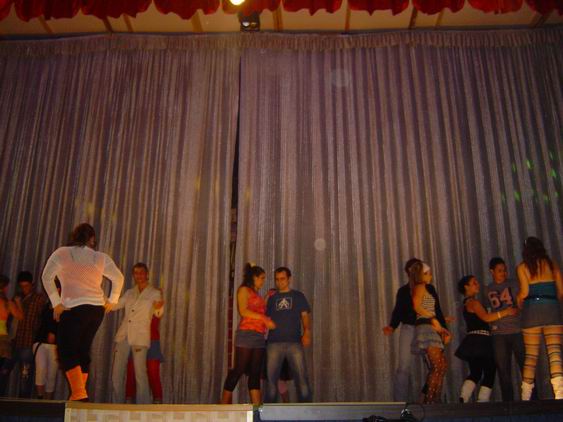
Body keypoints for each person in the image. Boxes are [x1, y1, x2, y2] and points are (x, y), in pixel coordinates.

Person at [42, 223, 124, 401]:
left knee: (66, 349)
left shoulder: (62, 253)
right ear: (92, 239)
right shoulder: (100, 257)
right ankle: (79, 393)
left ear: (74, 236)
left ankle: (79, 393)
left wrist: (56, 303)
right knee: (82, 349)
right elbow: (119, 277)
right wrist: (112, 300)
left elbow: (46, 276)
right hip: (96, 309)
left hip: (74, 307)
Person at [383, 258, 449, 402]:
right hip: (410, 327)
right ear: (410, 272)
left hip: (428, 327)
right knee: (404, 367)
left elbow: (437, 309)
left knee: (437, 365)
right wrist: (392, 326)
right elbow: (399, 311)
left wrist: (443, 328)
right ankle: (401, 403)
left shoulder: (429, 288)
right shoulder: (404, 291)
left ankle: (429, 399)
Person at [456, 275, 518, 402]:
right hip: (481, 340)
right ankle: (482, 400)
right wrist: (506, 312)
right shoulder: (474, 303)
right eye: (474, 283)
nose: (477, 284)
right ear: (466, 287)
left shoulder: (467, 303)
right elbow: (486, 318)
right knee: (489, 370)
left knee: (476, 372)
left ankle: (464, 398)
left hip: (472, 341)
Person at [221, 263, 275, 405]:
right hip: (246, 334)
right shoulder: (243, 290)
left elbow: (258, 309)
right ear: (253, 277)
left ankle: (257, 410)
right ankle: (223, 405)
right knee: (238, 370)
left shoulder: (256, 294)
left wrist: (266, 297)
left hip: (259, 336)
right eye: (261, 278)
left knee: (255, 374)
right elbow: (244, 311)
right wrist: (264, 319)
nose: (263, 281)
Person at [516, 237, 563, 400]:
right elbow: (561, 291)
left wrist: (518, 299)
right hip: (551, 309)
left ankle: (525, 396)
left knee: (531, 355)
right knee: (555, 353)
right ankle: (559, 394)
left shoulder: (523, 267)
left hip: (532, 311)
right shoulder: (551, 264)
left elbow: (525, 292)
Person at [111, 262, 163, 404]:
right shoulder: (129, 292)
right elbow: (115, 305)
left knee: (140, 374)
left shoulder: (154, 292)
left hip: (140, 336)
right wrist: (97, 297)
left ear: (147, 274)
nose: (139, 275)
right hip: (124, 335)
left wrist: (158, 308)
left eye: (141, 272)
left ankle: (142, 407)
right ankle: (116, 406)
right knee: (116, 374)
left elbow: (158, 313)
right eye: (136, 273)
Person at [485, 257, 533, 401]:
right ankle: (508, 403)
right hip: (498, 333)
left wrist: (519, 307)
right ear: (492, 271)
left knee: (525, 366)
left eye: (505, 270)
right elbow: (486, 312)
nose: (503, 273)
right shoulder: (488, 289)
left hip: (516, 330)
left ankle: (533, 399)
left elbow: (523, 300)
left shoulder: (514, 284)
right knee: (503, 370)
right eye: (500, 270)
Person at [265, 267, 312, 403]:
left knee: (302, 380)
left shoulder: (298, 296)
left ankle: (307, 411)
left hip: (294, 342)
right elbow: (264, 316)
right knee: (271, 382)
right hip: (274, 343)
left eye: (282, 279)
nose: (279, 282)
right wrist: (267, 297)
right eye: (277, 279)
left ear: (289, 279)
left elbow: (305, 315)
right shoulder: (272, 298)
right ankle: (269, 413)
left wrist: (307, 332)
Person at [410, 261, 450, 404]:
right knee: (438, 366)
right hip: (426, 327)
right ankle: (429, 402)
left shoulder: (424, 287)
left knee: (441, 366)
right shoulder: (420, 287)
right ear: (422, 275)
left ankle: (434, 400)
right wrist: (433, 319)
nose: (431, 276)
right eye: (428, 273)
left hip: (430, 326)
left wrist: (441, 326)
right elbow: (416, 306)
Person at [12, 271, 46, 398]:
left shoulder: (38, 298)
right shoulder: (18, 298)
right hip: (15, 341)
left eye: (26, 286)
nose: (24, 289)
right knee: (5, 369)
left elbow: (42, 319)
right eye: (22, 286)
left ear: (32, 284)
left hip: (29, 340)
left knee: (25, 374)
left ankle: (23, 400)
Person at [125, 315, 164, 404]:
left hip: (152, 340)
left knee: (153, 372)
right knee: (132, 372)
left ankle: (157, 402)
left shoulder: (156, 305)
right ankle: (129, 401)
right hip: (136, 340)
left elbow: (158, 313)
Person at [33, 278, 62, 399]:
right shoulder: (47, 303)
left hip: (55, 344)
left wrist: (53, 332)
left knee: (51, 374)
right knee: (41, 370)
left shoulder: (64, 304)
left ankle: (48, 401)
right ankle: (40, 398)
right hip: (40, 341)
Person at [0, 274, 21, 396]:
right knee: (2, 372)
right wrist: (18, 302)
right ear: (6, 288)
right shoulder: (7, 303)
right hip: (3, 340)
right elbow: (20, 316)